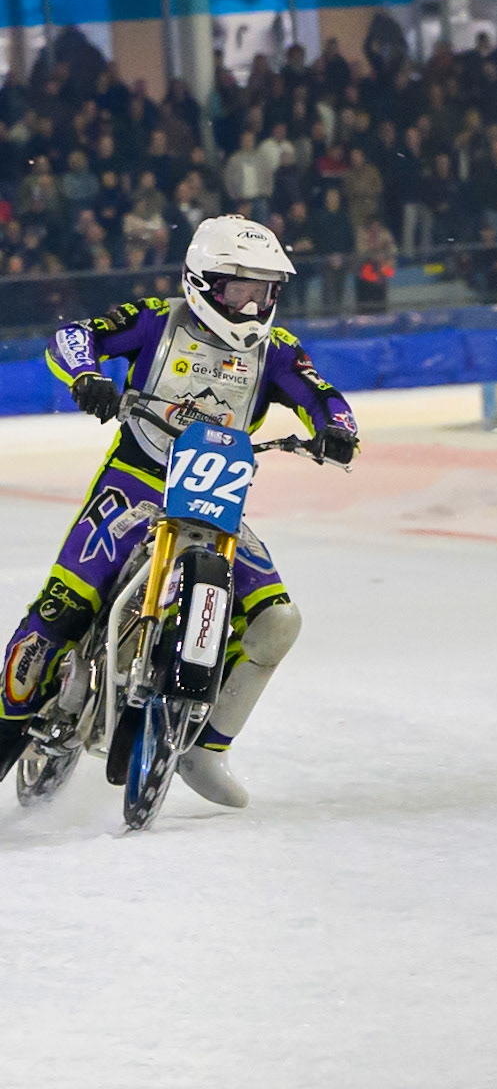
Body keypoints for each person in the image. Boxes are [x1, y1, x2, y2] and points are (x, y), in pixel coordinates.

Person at [0, 216, 360, 804]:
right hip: (134, 482)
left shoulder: (278, 351)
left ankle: (205, 748)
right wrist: (88, 377)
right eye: (239, 289)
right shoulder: (155, 319)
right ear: (203, 282)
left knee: (278, 623)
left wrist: (337, 430)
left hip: (216, 497)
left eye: (264, 290)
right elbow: (72, 336)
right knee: (61, 611)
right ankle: (7, 725)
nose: (251, 305)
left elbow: (322, 395)